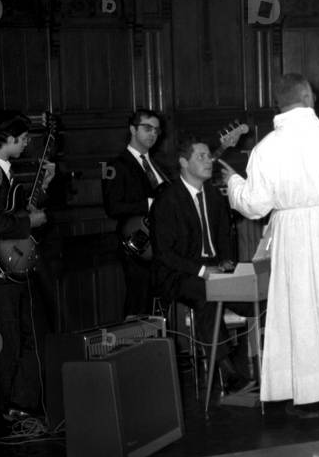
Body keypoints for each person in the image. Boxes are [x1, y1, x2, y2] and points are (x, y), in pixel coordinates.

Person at [219, 73, 319, 409]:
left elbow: (255, 204)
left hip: (291, 231)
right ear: (308, 97)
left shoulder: (265, 148)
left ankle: (308, 392)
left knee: (299, 309)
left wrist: (233, 184)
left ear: (279, 102)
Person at [0, 111, 54, 422]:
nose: (28, 142)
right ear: (7, 138)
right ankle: (7, 405)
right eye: (24, 137)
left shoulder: (3, 170)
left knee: (30, 335)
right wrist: (30, 220)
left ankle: (22, 402)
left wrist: (42, 188)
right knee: (10, 341)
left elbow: (12, 213)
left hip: (12, 267)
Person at [148, 138, 250, 394]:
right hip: (180, 274)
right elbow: (164, 253)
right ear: (183, 162)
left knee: (255, 296)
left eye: (209, 156)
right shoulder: (167, 199)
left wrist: (227, 261)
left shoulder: (214, 195)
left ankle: (255, 363)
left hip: (215, 269)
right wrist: (204, 272)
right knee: (209, 296)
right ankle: (228, 372)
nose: (210, 161)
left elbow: (225, 236)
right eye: (202, 156)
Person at [102, 108, 170, 316]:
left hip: (161, 242)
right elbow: (112, 207)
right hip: (137, 242)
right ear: (132, 129)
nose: (153, 134)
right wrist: (149, 204)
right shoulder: (112, 165)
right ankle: (134, 347)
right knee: (138, 300)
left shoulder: (159, 166)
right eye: (147, 128)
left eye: (156, 130)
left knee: (160, 300)